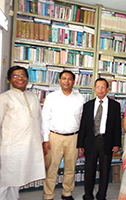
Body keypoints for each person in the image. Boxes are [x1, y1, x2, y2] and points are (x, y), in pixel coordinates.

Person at [0, 66, 45, 200]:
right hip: (11, 146)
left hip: (29, 145)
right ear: (9, 80)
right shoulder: (4, 98)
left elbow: (38, 120)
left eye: (22, 75)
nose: (20, 79)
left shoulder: (32, 96)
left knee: (17, 178)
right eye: (15, 76)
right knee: (5, 178)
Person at [42, 70, 85, 200]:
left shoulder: (80, 97)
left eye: (70, 79)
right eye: (64, 78)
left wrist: (81, 141)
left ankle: (67, 193)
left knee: (70, 167)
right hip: (54, 137)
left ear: (74, 81)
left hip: (73, 137)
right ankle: (48, 195)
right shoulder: (51, 97)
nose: (67, 81)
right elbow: (45, 119)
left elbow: (83, 120)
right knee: (52, 168)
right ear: (59, 80)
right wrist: (45, 139)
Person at [77, 77, 121, 200]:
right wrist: (80, 143)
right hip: (90, 142)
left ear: (107, 89)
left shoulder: (115, 106)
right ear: (95, 89)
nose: (100, 90)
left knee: (105, 170)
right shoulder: (88, 105)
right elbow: (83, 125)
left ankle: (102, 195)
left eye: (103, 87)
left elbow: (117, 125)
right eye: (98, 87)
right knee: (89, 170)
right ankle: (88, 195)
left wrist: (117, 143)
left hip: (106, 141)